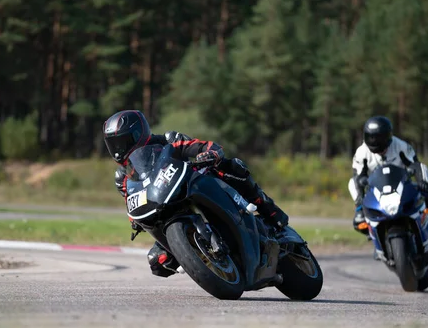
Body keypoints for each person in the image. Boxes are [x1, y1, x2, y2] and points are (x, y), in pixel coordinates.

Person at [103, 110, 289, 277]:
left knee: (233, 167)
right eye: (114, 145)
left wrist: (209, 153)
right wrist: (134, 222)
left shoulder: (168, 140)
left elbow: (201, 146)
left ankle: (270, 212)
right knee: (157, 262)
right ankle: (208, 263)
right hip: (165, 211)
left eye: (123, 142)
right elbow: (132, 201)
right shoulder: (122, 177)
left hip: (195, 185)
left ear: (138, 133)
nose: (119, 150)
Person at [348, 116, 428, 250]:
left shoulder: (400, 146)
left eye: (379, 137)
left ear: (388, 136)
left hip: (402, 186)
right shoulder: (361, 152)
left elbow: (416, 165)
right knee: (356, 205)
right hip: (376, 191)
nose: (375, 141)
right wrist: (362, 194)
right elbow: (357, 176)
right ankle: (362, 214)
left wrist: (423, 182)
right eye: (371, 137)